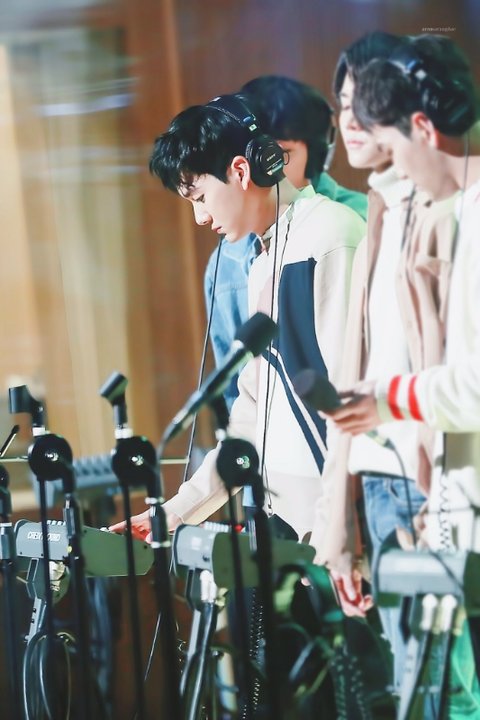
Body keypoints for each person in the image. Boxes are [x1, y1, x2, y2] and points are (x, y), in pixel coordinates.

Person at [111, 90, 365, 544]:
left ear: (242, 171)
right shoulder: (262, 262)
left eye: (200, 197)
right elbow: (252, 412)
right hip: (286, 521)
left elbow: (347, 396)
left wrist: (343, 523)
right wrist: (176, 512)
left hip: (336, 522)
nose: (200, 218)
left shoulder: (330, 236)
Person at [316, 32, 480, 713]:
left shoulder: (455, 211)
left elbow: (467, 380)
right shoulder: (397, 210)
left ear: (419, 125)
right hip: (410, 476)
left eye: (369, 115)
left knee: (449, 691)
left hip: (438, 471)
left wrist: (389, 399)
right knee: (433, 690)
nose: (352, 124)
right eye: (344, 107)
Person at [204, 75, 367, 413]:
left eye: (283, 154)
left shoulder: (360, 220)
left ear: (316, 152)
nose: (269, 169)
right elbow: (236, 389)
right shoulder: (225, 264)